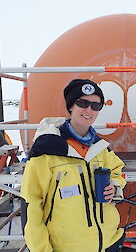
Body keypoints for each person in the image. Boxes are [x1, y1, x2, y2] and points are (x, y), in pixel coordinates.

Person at [21, 79, 126, 252]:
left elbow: (117, 171)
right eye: (82, 103)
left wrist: (114, 187)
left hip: (106, 243)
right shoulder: (46, 151)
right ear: (71, 106)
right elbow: (31, 205)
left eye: (95, 106)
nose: (89, 110)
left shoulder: (99, 148)